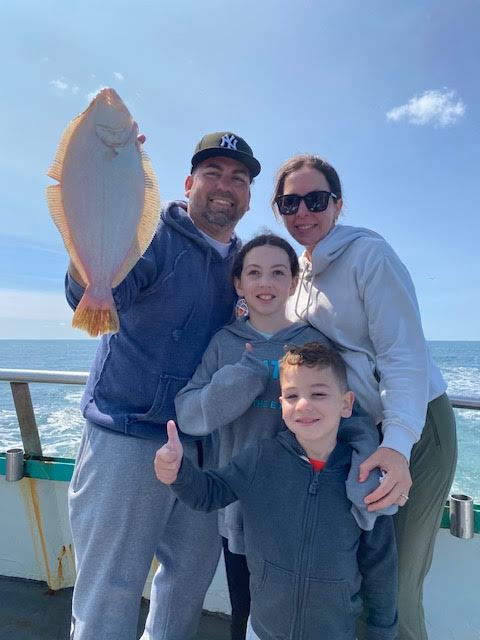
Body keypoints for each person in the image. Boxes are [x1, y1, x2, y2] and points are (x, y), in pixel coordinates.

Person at [64, 131, 261, 640]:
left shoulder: (246, 265)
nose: (226, 186)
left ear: (248, 195)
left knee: (186, 587)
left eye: (238, 178)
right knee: (110, 590)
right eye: (213, 174)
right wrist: (94, 192)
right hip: (127, 435)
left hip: (203, 449)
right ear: (189, 182)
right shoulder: (150, 236)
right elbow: (97, 293)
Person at [271, 154, 457, 640]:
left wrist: (397, 444)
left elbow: (403, 355)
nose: (302, 212)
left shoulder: (369, 256)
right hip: (363, 435)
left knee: (394, 589)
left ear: (338, 204)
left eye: (316, 199)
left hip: (415, 430)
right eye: (289, 202)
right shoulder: (303, 275)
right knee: (361, 583)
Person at [174, 232, 396, 640]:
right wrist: (240, 378)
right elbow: (189, 413)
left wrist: (366, 476)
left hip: (308, 509)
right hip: (241, 508)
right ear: (238, 283)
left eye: (278, 273)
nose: (266, 283)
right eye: (254, 273)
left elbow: (354, 419)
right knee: (246, 608)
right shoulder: (224, 343)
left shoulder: (314, 341)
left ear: (294, 282)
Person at [156, 343, 398, 640]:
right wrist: (178, 471)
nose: (304, 404)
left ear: (346, 404)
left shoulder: (363, 476)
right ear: (281, 404)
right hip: (262, 630)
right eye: (293, 396)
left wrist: (382, 630)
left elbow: (380, 564)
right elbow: (209, 494)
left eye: (319, 394)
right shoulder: (260, 458)